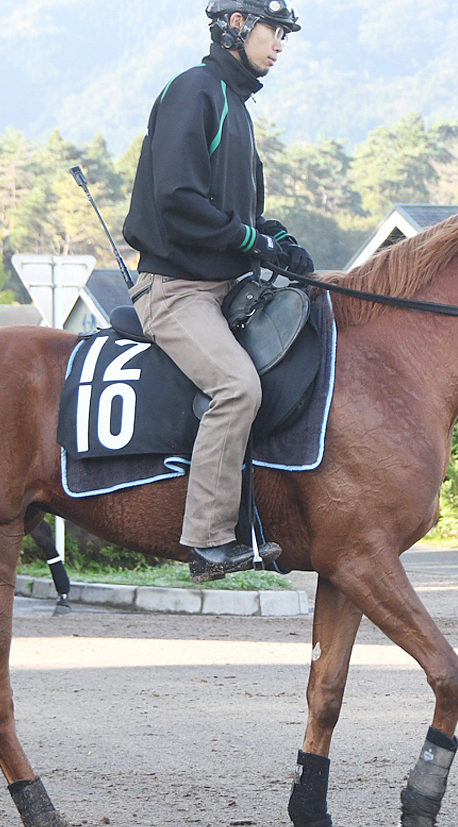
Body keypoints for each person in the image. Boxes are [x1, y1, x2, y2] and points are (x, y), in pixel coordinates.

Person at [123, 0, 315, 582]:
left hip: (227, 284)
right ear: (236, 26)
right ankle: (207, 542)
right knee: (235, 388)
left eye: (285, 33)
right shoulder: (194, 91)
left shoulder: (236, 104)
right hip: (177, 292)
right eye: (272, 30)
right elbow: (178, 202)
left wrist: (273, 235)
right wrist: (254, 239)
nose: (280, 43)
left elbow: (236, 216)